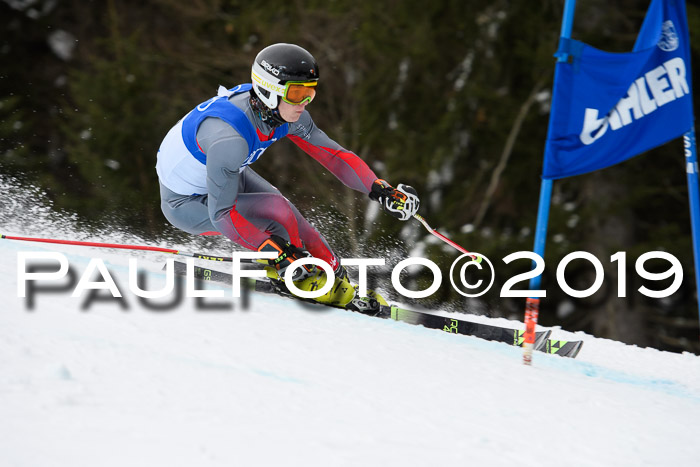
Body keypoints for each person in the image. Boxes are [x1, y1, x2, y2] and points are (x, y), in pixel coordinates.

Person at [156, 43, 420, 309]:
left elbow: (333, 156)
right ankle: (295, 276)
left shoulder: (285, 113)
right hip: (184, 202)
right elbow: (222, 214)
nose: (303, 104)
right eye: (296, 93)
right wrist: (277, 253)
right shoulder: (229, 140)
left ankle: (336, 279)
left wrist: (380, 189)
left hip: (226, 174)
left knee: (289, 214)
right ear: (269, 91)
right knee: (276, 212)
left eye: (310, 93)